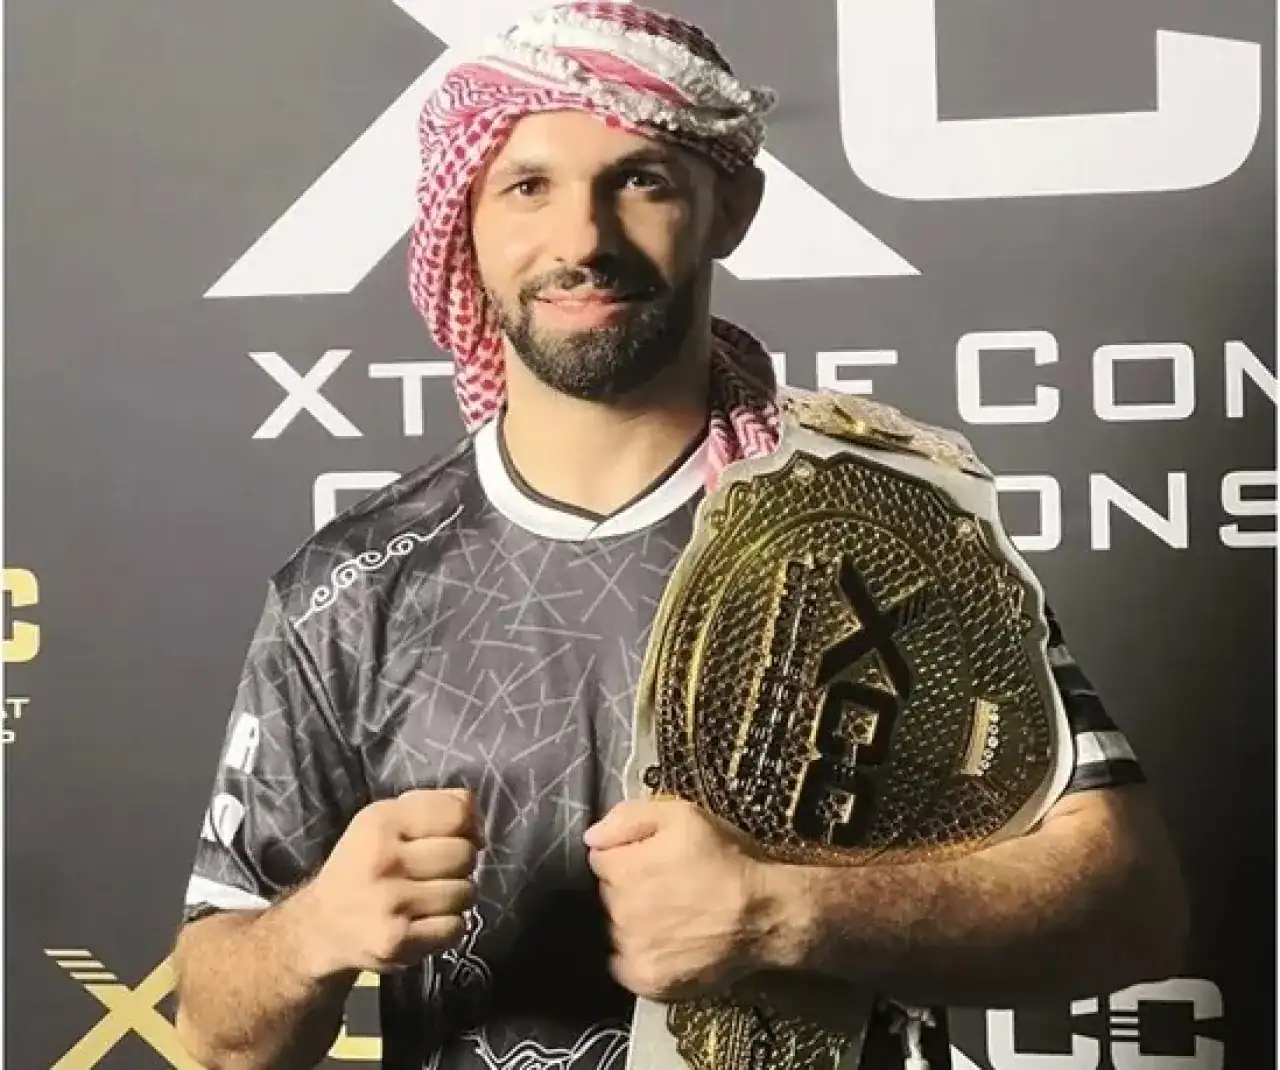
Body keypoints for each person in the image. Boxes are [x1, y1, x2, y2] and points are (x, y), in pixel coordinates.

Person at [171, 4, 1189, 1068]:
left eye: (640, 180)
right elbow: (216, 1036)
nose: (582, 241)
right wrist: (315, 931)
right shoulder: (350, 589)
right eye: (527, 187)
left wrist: (786, 913)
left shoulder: (879, 524)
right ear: (462, 221)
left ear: (729, 208)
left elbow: (1132, 903)